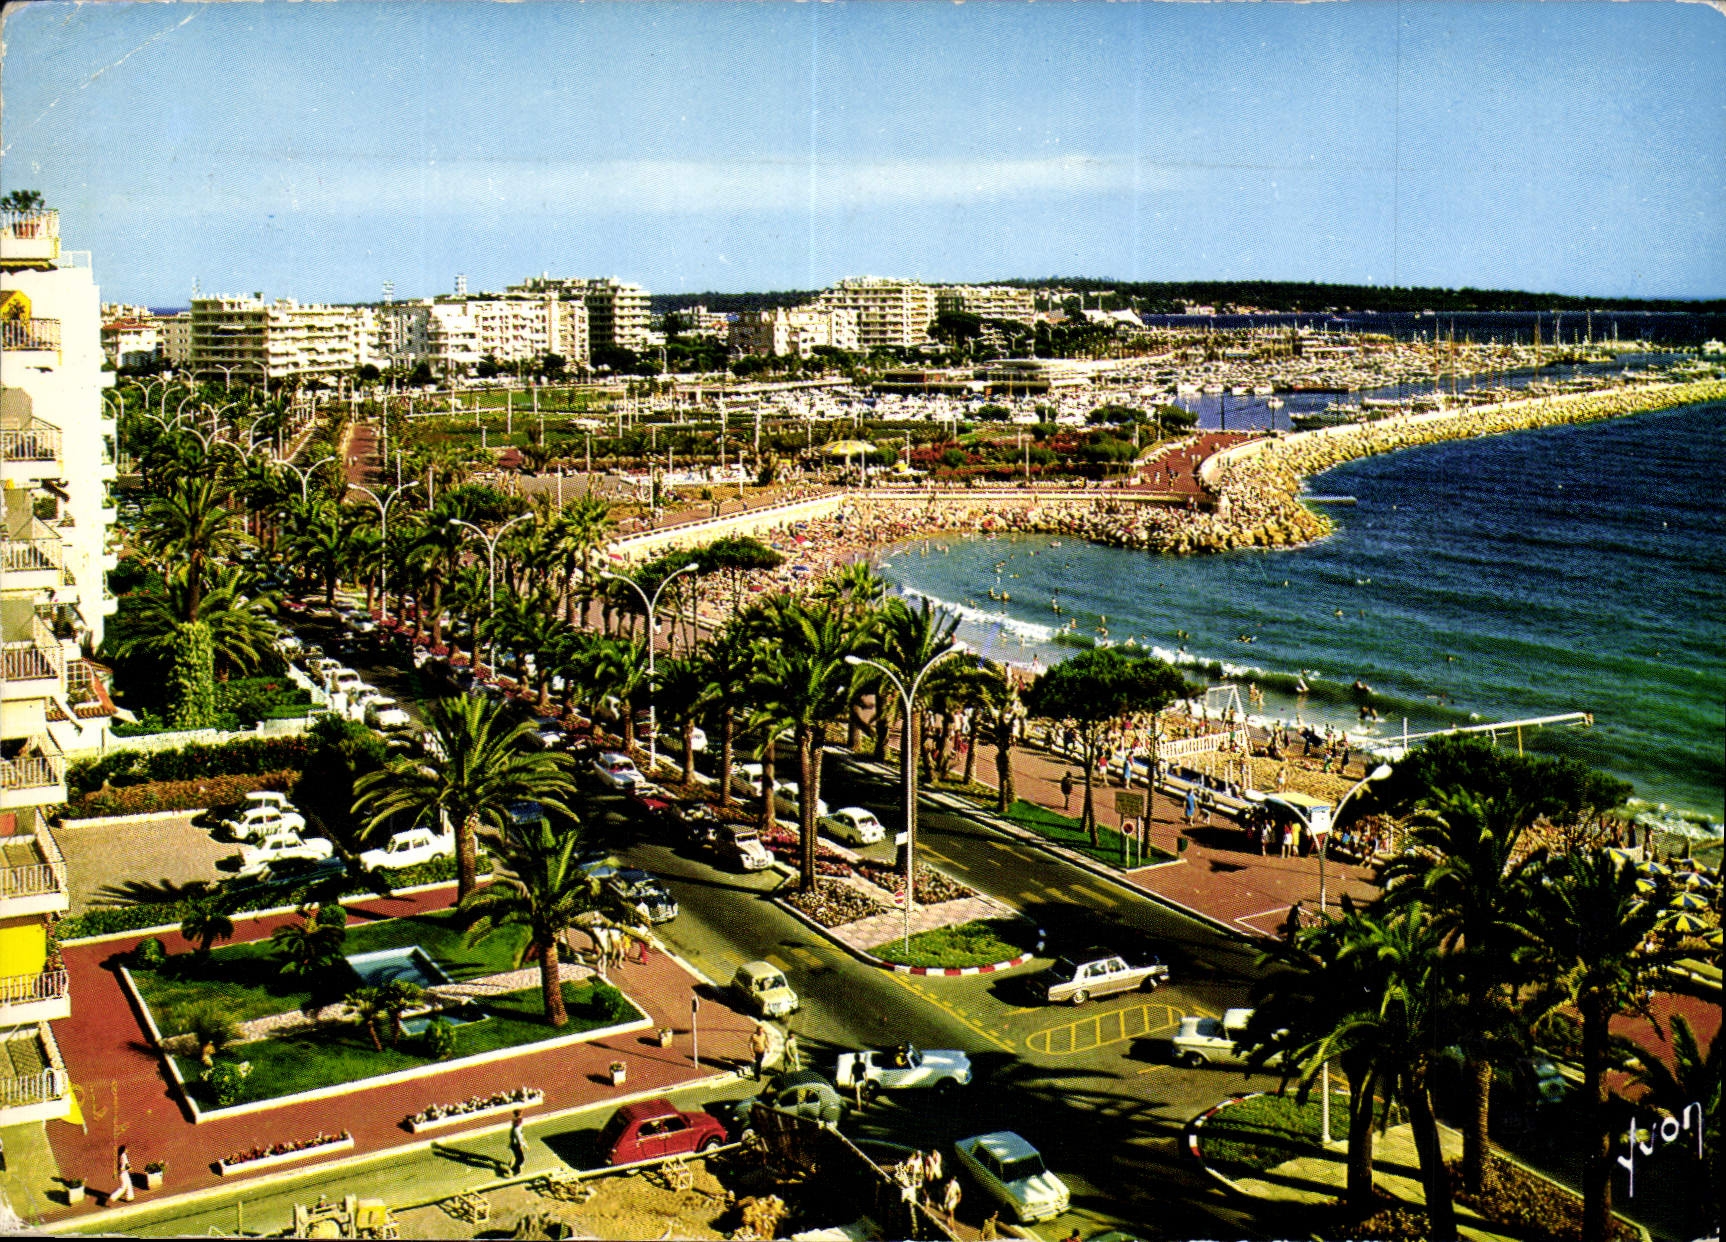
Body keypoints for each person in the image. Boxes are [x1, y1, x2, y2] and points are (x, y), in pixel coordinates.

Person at [507, 1109, 527, 1177]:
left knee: (516, 1157)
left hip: (514, 1143)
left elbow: (518, 1134)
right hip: (516, 1144)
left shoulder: (515, 1122)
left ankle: (515, 1169)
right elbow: (518, 1136)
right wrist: (522, 1144)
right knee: (519, 1158)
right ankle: (513, 1170)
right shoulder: (517, 1125)